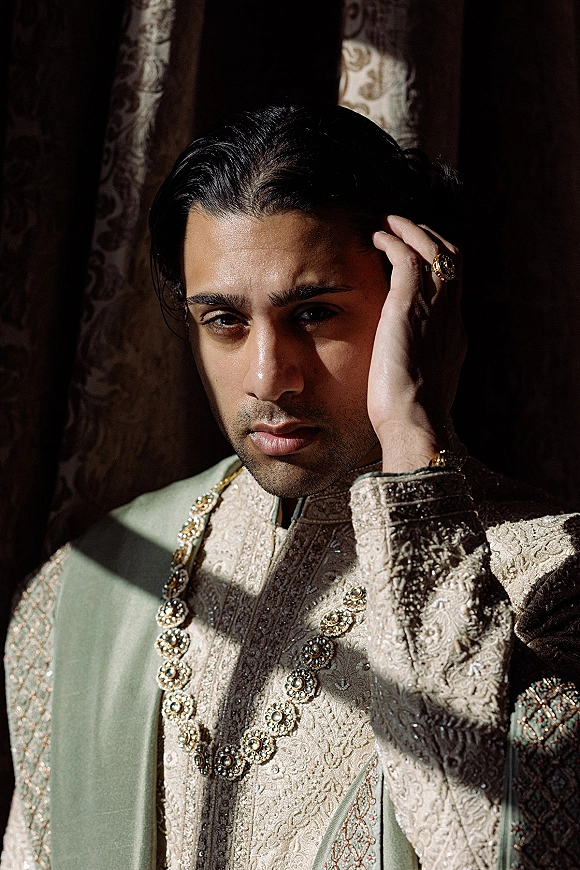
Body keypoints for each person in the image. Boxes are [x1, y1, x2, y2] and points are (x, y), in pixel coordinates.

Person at [2, 104, 580, 870]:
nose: (270, 376)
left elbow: (496, 851)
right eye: (225, 322)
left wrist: (410, 444)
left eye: (313, 314)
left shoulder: (552, 575)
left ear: (424, 305)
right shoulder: (85, 593)